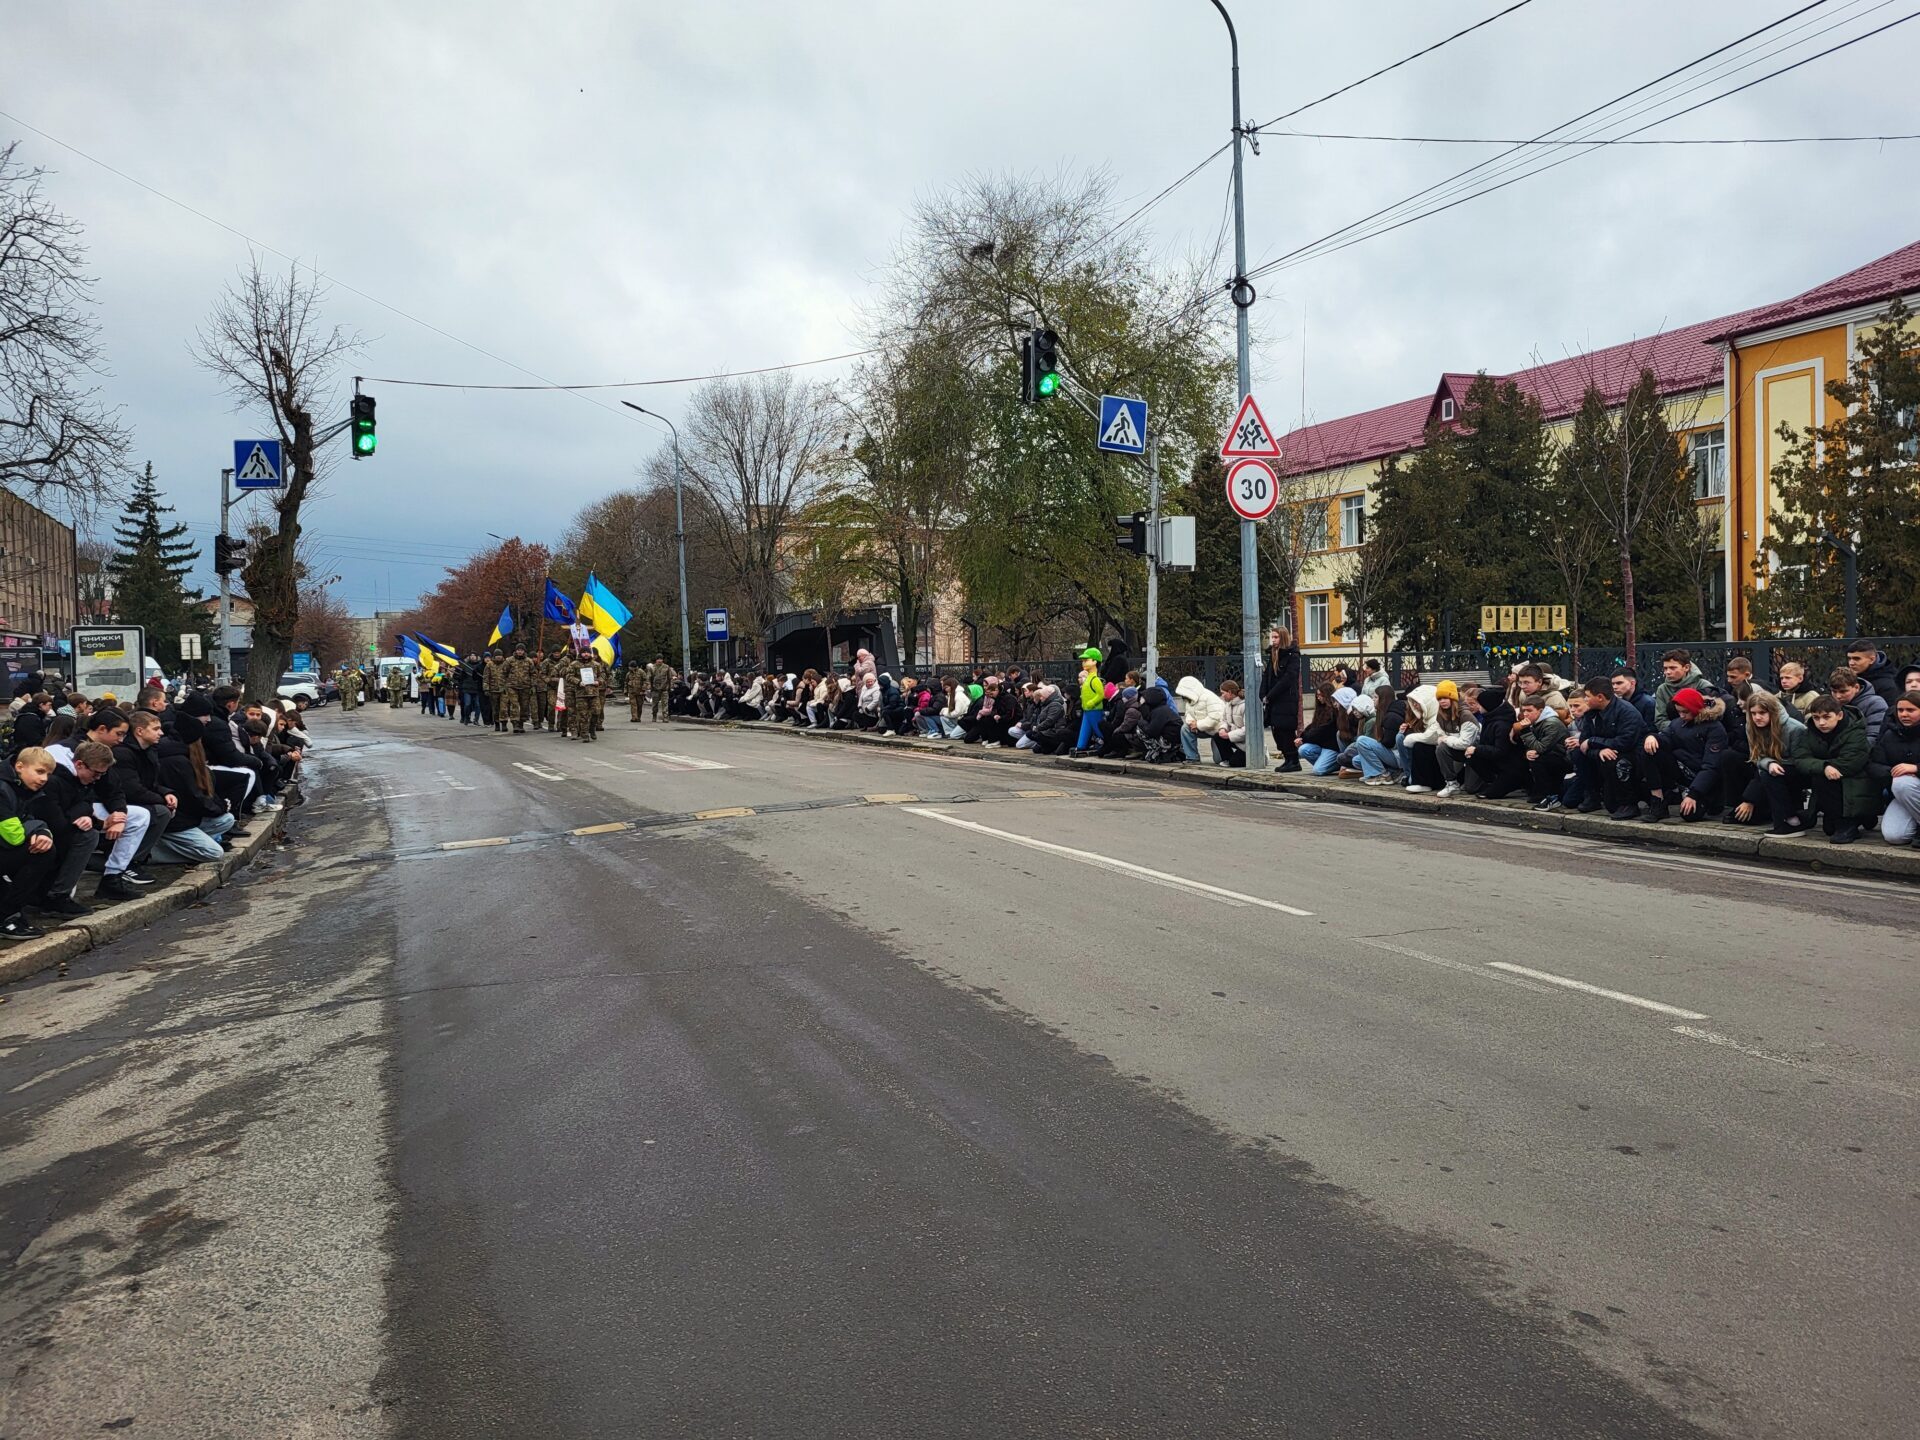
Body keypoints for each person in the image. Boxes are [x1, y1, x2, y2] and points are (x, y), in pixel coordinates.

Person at [1641, 687, 1734, 823]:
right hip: (1682, 769)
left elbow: (1711, 766)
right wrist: (1652, 737)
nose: (1682, 716)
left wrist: (1694, 794)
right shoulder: (1677, 723)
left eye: (1685, 712)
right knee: (1650, 749)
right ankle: (1658, 800)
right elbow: (1665, 738)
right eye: (1679, 712)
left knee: (1690, 814)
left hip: (1703, 778)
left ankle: (1700, 800)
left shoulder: (1715, 728)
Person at [1792, 696, 1875, 844]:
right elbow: (1800, 758)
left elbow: (1851, 762)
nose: (1821, 723)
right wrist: (1824, 766)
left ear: (1839, 715)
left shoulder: (1855, 730)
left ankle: (1850, 822)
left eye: (1826, 717)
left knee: (1828, 777)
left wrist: (1825, 766)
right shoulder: (1809, 731)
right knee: (1829, 829)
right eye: (1816, 718)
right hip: (1827, 776)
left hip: (1854, 779)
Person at [1731, 690, 1808, 834]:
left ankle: (1789, 820)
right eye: (1753, 713)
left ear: (1772, 712)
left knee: (1770, 774)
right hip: (1771, 767)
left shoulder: (1795, 729)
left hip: (1796, 769)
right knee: (1763, 771)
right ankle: (1781, 820)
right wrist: (1769, 763)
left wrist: (1773, 763)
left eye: (1762, 713)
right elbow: (1757, 756)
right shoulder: (1751, 726)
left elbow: (1801, 759)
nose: (1757, 717)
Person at [0, 747, 58, 938]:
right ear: (19, 766)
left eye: (48, 774)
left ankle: (10, 914)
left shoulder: (19, 788)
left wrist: (42, 831)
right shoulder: (3, 789)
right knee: (43, 853)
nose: (44, 779)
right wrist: (38, 828)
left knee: (43, 846)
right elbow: (13, 836)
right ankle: (6, 916)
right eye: (40, 772)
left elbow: (26, 819)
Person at [1575, 675, 1652, 820]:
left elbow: (1625, 742)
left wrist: (1594, 741)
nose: (1585, 700)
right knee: (1578, 754)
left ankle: (1629, 803)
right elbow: (1583, 742)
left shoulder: (1626, 712)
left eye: (1587, 696)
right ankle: (1592, 795)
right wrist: (1598, 750)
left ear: (1600, 697)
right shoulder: (1591, 713)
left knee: (1615, 760)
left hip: (1632, 754)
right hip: (1606, 751)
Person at [1868, 692, 1920, 845]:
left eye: (1910, 710)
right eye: (1900, 710)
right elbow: (1874, 764)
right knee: (1894, 835)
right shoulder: (1890, 735)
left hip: (1907, 786)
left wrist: (1915, 769)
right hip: (1904, 792)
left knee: (1903, 783)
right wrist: (1894, 773)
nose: (1904, 714)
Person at [1403, 680, 1470, 794]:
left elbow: (1432, 736)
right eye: (1440, 699)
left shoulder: (1450, 714)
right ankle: (1418, 780)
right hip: (1451, 751)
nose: (1414, 705)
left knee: (1422, 746)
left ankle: (1433, 782)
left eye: (1417, 702)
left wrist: (1410, 738)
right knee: (1417, 744)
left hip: (1459, 754)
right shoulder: (1433, 714)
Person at [1259, 630, 1303, 771]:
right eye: (1272, 637)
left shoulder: (1292, 655)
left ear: (1283, 638)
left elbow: (1289, 678)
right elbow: (1267, 675)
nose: (1273, 640)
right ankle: (1287, 758)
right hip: (1274, 699)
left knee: (1286, 729)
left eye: (1276, 637)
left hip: (1286, 699)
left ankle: (1293, 760)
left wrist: (1271, 694)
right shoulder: (1273, 654)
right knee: (1276, 729)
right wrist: (1263, 693)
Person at [1517, 694, 1571, 806]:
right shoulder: (1536, 721)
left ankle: (1544, 793)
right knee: (1527, 757)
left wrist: (1525, 731)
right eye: (1524, 711)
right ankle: (1537, 791)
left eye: (1529, 710)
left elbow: (1541, 748)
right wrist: (1528, 752)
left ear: (1540, 710)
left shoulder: (1551, 723)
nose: (1525, 714)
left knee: (1538, 760)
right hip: (1550, 754)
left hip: (1562, 758)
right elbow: (1534, 745)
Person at [1173, 675, 1228, 764]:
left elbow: (1215, 718)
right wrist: (1191, 723)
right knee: (1185, 728)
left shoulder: (1209, 697)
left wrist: (1197, 725)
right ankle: (1192, 757)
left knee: (1219, 760)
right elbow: (1188, 714)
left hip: (1217, 731)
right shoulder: (1189, 700)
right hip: (1201, 728)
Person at [1828, 668, 1887, 746]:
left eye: (1843, 691)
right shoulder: (1830, 705)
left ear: (1856, 687)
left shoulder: (1875, 704)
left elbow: (1875, 736)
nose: (1838, 696)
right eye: (1834, 692)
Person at [1652, 650, 1713, 724]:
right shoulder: (1662, 689)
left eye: (1672, 668)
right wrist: (1677, 730)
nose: (1667, 672)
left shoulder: (1704, 686)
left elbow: (1711, 715)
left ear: (1686, 667)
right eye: (1665, 668)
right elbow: (1660, 719)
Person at [1297, 683, 1343, 776]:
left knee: (1318, 770)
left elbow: (1322, 730)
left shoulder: (1334, 711)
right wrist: (1302, 737)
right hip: (1321, 745)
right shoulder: (1321, 709)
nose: (1318, 697)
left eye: (1320, 695)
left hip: (1332, 747)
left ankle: (1338, 763)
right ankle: (1326, 763)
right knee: (1303, 749)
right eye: (1317, 695)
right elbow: (1314, 725)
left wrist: (1304, 738)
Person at [1072, 648, 1106, 754]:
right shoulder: (1089, 679)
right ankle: (1081, 746)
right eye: (1083, 661)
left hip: (1094, 708)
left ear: (1095, 661)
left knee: (1097, 728)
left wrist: (1092, 702)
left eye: (1086, 660)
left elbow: (1101, 694)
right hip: (1087, 708)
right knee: (1085, 727)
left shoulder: (1095, 680)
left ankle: (1106, 742)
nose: (1083, 663)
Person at [1139, 683, 1183, 763]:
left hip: (1170, 741)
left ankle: (1159, 752)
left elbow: (1151, 731)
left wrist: (1141, 722)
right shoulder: (1162, 709)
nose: (1142, 700)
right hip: (1173, 740)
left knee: (1139, 729)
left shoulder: (1159, 712)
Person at [1845, 640, 1899, 704]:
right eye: (1849, 658)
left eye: (1857, 659)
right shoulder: (1848, 677)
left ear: (1872, 659)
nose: (1851, 663)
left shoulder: (1888, 685)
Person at [1212, 680, 1248, 768]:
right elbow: (1224, 720)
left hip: (1247, 743)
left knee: (1235, 762)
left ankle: (1233, 759)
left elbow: (1248, 729)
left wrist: (1229, 735)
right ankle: (1227, 759)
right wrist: (1222, 729)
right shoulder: (1228, 705)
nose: (1222, 696)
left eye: (1223, 693)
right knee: (1217, 736)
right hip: (1236, 738)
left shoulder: (1244, 705)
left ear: (1230, 692)